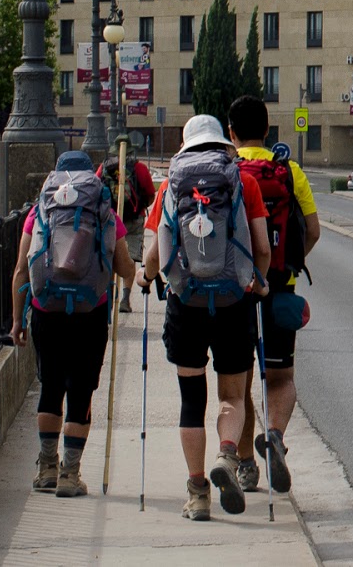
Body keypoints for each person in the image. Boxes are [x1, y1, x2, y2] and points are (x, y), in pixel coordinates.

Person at [135, 114, 270, 521]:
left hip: (187, 302)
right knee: (233, 396)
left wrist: (145, 277)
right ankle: (227, 456)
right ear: (222, 143)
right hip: (234, 301)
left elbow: (156, 254)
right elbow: (262, 247)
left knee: (192, 402)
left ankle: (197, 493)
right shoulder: (243, 182)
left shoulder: (170, 185)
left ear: (186, 145)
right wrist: (259, 283)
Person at [8, 150, 136, 497]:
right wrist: (127, 273)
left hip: (46, 310)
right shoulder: (105, 210)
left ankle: (46, 469)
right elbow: (125, 267)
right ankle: (70, 474)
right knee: (81, 392)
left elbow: (21, 269)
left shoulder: (39, 212)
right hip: (90, 312)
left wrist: (18, 320)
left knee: (50, 388)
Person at [228, 95, 320, 494]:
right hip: (280, 288)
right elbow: (313, 230)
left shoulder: (226, 170)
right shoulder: (289, 171)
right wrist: (290, 265)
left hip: (235, 293)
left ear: (231, 132)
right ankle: (276, 437)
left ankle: (246, 465)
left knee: (238, 385)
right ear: (267, 130)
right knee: (280, 378)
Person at [99, 150, 155, 313]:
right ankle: (125, 298)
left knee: (110, 256)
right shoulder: (139, 168)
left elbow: (96, 192)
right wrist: (139, 206)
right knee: (129, 259)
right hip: (134, 220)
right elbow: (150, 194)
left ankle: (109, 295)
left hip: (110, 219)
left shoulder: (104, 167)